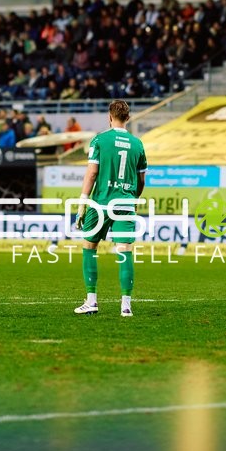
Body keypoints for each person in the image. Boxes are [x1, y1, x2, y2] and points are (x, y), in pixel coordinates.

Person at [74, 100, 147, 318]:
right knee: (124, 251)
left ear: (109, 116)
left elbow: (92, 173)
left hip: (100, 204)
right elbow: (141, 180)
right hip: (125, 203)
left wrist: (82, 203)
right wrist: (132, 197)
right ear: (128, 117)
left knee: (89, 247)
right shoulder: (137, 144)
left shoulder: (100, 140)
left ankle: (91, 301)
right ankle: (126, 305)